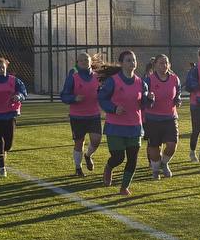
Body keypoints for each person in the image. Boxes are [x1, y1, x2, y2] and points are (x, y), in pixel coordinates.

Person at [97, 49, 153, 196]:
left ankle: (124, 187)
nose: (132, 63)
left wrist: (150, 99)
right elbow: (102, 99)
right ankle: (109, 167)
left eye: (134, 60)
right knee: (118, 157)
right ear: (121, 63)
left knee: (132, 159)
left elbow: (144, 103)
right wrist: (114, 108)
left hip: (134, 126)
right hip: (115, 127)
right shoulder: (113, 81)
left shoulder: (141, 83)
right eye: (128, 60)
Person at [59, 51, 102, 176]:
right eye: (81, 60)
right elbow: (64, 96)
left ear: (90, 62)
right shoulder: (73, 77)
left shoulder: (97, 76)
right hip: (77, 116)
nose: (84, 61)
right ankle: (78, 168)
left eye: (86, 59)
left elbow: (103, 92)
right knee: (79, 142)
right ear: (77, 63)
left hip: (94, 115)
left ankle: (88, 155)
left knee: (96, 140)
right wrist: (74, 98)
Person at [144, 54, 183, 179]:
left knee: (172, 145)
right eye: (161, 63)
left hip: (170, 117)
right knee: (154, 146)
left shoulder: (174, 79)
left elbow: (178, 92)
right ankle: (155, 169)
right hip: (152, 119)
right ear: (155, 65)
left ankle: (164, 163)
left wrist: (178, 100)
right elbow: (141, 97)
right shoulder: (149, 80)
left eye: (166, 63)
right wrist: (148, 98)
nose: (164, 65)